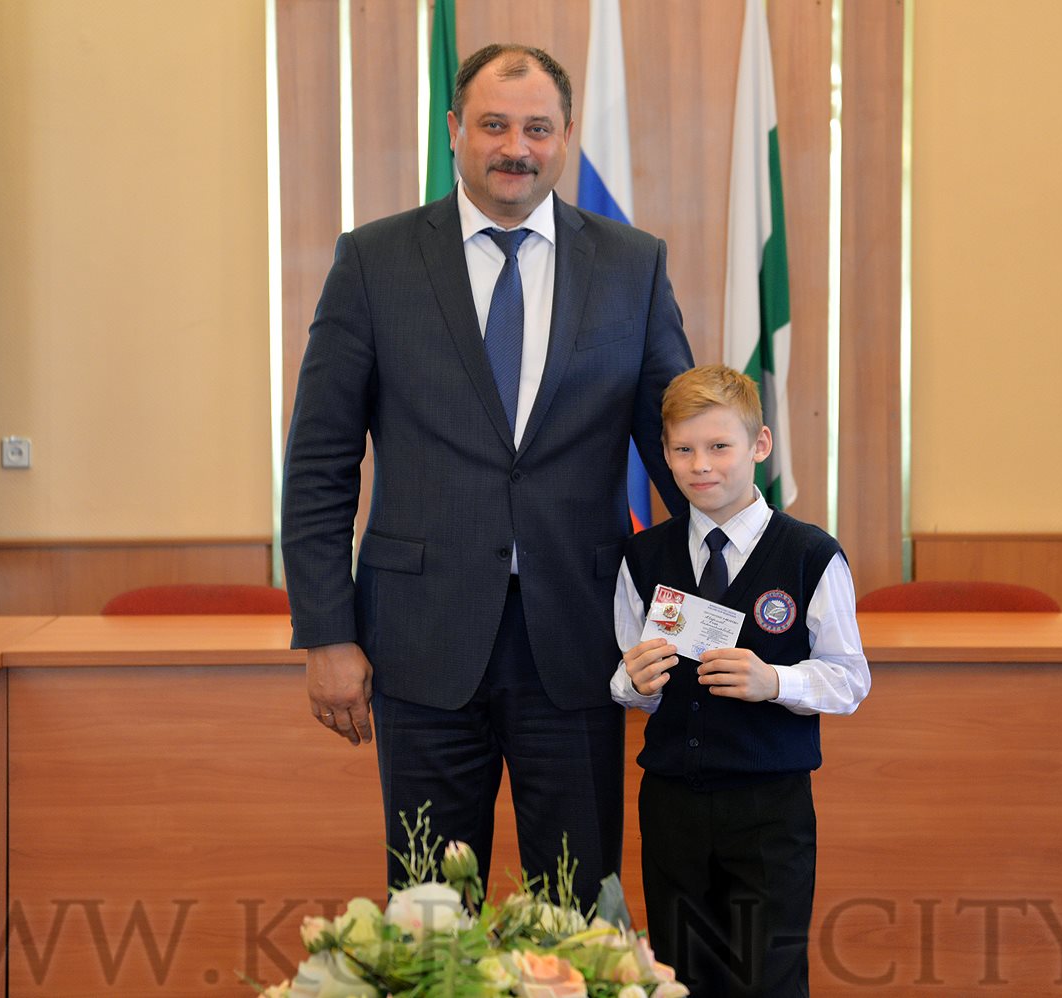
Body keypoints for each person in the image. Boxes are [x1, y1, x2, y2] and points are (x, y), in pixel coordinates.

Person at [281, 42, 693, 907]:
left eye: (537, 128)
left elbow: (682, 454)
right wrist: (326, 633)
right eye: (494, 125)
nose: (516, 148)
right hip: (418, 642)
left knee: (578, 913)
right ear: (455, 130)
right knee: (428, 914)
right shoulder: (374, 262)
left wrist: (751, 579)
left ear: (566, 135)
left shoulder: (632, 265)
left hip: (580, 639)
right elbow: (320, 464)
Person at [611, 364, 870, 996]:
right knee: (679, 975)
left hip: (767, 809)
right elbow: (626, 676)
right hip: (672, 804)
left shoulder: (810, 555)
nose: (701, 465)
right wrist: (634, 683)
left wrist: (774, 681)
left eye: (719, 446)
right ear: (664, 453)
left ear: (759, 445)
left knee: (767, 979)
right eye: (683, 450)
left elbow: (848, 679)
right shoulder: (643, 557)